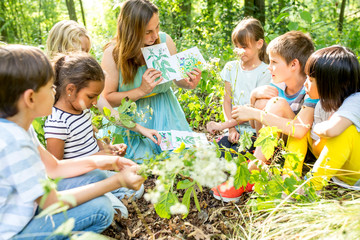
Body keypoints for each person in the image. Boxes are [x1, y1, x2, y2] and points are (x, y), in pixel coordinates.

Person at [0, 45, 144, 239]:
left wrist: (111, 162)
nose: (55, 91)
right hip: (15, 232)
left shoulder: (22, 127)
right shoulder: (13, 143)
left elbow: (55, 167)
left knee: (100, 183)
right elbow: (51, 202)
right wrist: (117, 180)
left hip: (29, 211)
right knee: (102, 210)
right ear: (30, 98)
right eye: (50, 87)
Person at [212, 31, 317, 202]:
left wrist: (255, 112)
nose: (269, 67)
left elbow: (299, 130)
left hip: (301, 148)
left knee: (277, 103)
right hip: (279, 146)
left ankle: (255, 167)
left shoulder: (310, 87)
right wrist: (254, 97)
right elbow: (255, 124)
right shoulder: (278, 85)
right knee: (263, 101)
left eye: (274, 62)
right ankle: (264, 162)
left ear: (294, 64)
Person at [99, 0, 202, 161]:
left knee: (184, 158)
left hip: (166, 112)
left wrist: (188, 83)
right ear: (130, 30)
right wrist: (141, 90)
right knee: (140, 161)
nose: (155, 36)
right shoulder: (112, 54)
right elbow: (108, 99)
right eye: (147, 32)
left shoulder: (165, 40)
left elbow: (176, 79)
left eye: (157, 27)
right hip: (133, 119)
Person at [44, 53, 144, 218]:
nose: (95, 101)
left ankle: (105, 195)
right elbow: (56, 171)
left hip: (96, 172)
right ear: (70, 89)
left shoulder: (82, 110)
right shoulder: (57, 122)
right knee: (121, 212)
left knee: (137, 187)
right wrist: (97, 158)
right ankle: (98, 199)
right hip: (79, 180)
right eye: (91, 96)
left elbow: (90, 140)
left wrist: (107, 149)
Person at [46, 19, 161, 145]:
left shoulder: (86, 80)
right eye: (79, 51)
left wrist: (140, 129)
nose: (84, 57)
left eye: (86, 51)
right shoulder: (48, 89)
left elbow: (109, 112)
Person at [283, 46, 360, 190]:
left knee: (344, 132)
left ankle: (310, 188)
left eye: (311, 79)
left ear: (334, 84)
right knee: (300, 128)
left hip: (356, 174)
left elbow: (331, 130)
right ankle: (289, 176)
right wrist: (308, 129)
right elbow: (319, 143)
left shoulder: (356, 100)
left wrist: (317, 128)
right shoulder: (321, 104)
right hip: (337, 170)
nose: (305, 83)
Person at [206, 17, 271, 156]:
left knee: (236, 158)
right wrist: (231, 129)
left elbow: (253, 109)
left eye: (244, 47)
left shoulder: (265, 72)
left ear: (259, 44)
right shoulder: (231, 68)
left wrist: (224, 126)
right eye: (236, 46)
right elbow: (227, 101)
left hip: (254, 132)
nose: (239, 51)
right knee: (214, 155)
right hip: (233, 128)